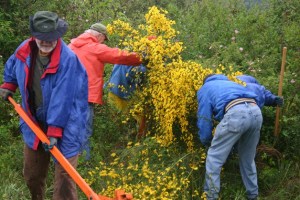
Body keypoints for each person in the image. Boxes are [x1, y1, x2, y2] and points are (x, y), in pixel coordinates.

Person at [0, 11, 88, 200]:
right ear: (35, 35)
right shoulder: (25, 49)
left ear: (58, 35)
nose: (46, 42)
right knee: (32, 175)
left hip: (67, 123)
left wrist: (54, 131)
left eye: (51, 38)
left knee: (65, 178)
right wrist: (9, 85)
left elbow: (63, 98)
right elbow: (13, 66)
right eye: (42, 37)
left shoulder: (68, 60)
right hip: (34, 120)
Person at [68, 23, 142, 156]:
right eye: (104, 39)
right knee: (84, 130)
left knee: (69, 130)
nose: (103, 42)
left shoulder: (71, 46)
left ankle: (66, 161)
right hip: (84, 96)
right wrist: (142, 57)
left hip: (65, 95)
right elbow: (119, 56)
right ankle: (83, 164)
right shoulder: (95, 47)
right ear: (99, 36)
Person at [197, 74, 262, 200]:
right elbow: (257, 94)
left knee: (214, 158)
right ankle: (253, 196)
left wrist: (206, 141)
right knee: (248, 159)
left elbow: (204, 118)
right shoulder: (232, 83)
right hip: (256, 111)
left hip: (236, 113)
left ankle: (210, 196)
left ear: (205, 81)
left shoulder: (205, 88)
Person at [106, 64, 147, 138]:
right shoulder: (136, 57)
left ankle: (119, 139)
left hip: (113, 89)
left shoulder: (122, 55)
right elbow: (133, 72)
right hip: (125, 91)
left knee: (117, 119)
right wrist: (146, 68)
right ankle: (139, 139)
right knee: (140, 116)